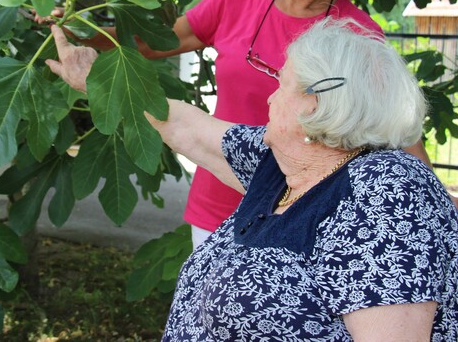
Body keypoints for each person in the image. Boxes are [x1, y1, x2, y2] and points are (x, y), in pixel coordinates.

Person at [38, 0, 436, 248]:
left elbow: (398, 135)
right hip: (216, 203)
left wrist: (436, 213)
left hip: (301, 216)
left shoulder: (358, 39)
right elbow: (152, 43)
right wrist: (80, 35)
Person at [45, 19, 458, 341]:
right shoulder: (282, 164)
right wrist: (98, 81)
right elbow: (186, 127)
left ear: (316, 104)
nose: (270, 97)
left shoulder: (387, 190)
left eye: (282, 84)